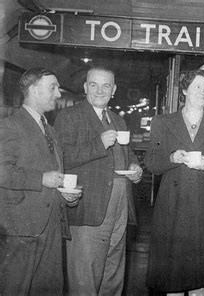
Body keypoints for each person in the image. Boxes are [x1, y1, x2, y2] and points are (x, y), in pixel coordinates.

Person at [54, 64, 143, 295]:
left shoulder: (118, 120)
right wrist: (98, 144)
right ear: (85, 87)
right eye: (94, 85)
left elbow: (127, 152)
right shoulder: (69, 116)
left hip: (120, 208)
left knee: (112, 276)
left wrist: (135, 167)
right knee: (85, 279)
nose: (100, 90)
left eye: (106, 86)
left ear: (114, 90)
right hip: (88, 210)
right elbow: (60, 158)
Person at [144, 69, 204, 295]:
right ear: (184, 90)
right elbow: (152, 163)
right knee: (172, 279)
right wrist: (171, 158)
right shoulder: (162, 122)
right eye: (197, 87)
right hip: (172, 208)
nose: (203, 92)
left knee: (200, 278)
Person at [0, 67, 81, 295]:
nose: (57, 94)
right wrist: (41, 179)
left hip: (52, 226)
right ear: (34, 90)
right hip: (22, 230)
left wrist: (65, 193)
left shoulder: (51, 131)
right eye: (52, 88)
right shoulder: (9, 126)